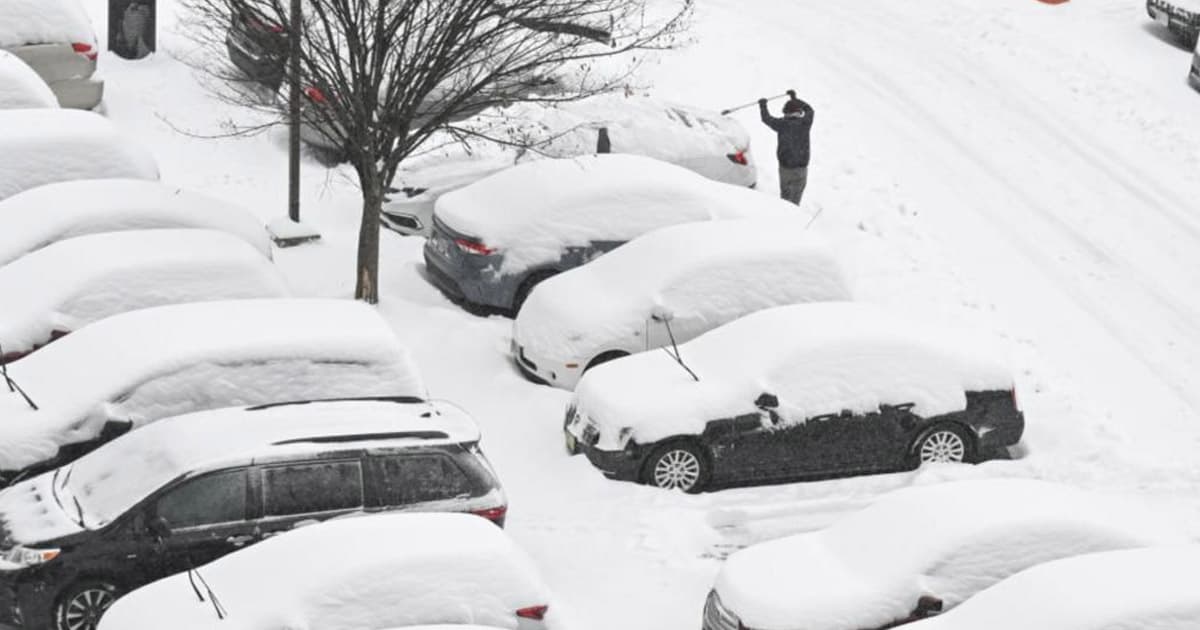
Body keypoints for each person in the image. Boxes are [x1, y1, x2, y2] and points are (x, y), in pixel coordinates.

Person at [758, 89, 814, 205]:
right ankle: (795, 216)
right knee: (796, 200)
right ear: (799, 112)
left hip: (785, 169)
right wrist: (795, 99)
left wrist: (763, 105)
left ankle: (785, 216)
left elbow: (766, 118)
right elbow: (809, 110)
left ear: (786, 112)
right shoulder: (805, 123)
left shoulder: (781, 124)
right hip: (801, 169)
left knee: (785, 200)